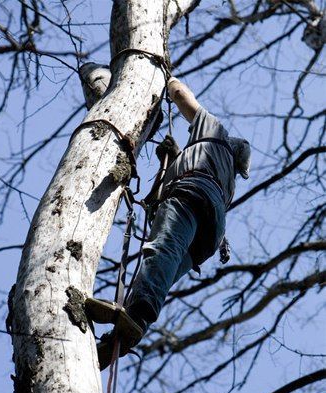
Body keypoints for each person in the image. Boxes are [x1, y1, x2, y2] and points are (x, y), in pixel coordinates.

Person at [85, 77, 251, 370]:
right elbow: (175, 186)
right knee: (161, 268)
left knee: (162, 250)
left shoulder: (215, 133)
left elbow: (180, 95)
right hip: (210, 234)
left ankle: (136, 317)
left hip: (193, 194)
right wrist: (173, 158)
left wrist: (167, 76)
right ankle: (124, 334)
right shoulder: (229, 180)